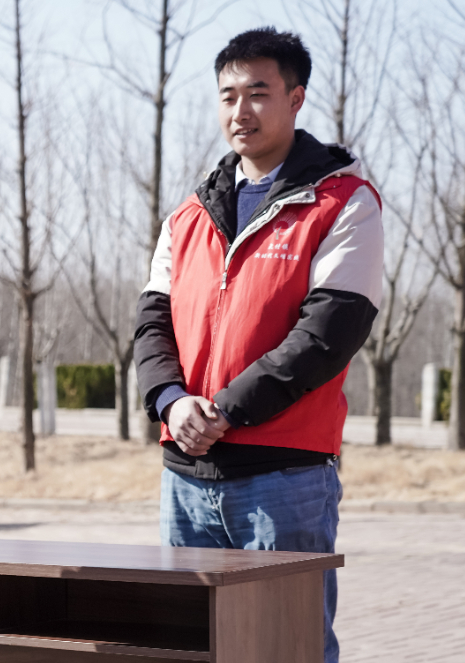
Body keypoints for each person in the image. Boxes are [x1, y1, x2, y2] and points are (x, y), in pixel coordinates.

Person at [133, 28, 383, 663]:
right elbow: (151, 322)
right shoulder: (188, 216)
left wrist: (220, 409)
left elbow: (329, 334)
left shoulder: (342, 202)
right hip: (184, 478)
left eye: (257, 93)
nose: (239, 111)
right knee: (183, 645)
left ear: (296, 99)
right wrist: (169, 400)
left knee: (284, 647)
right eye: (226, 96)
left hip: (285, 479)